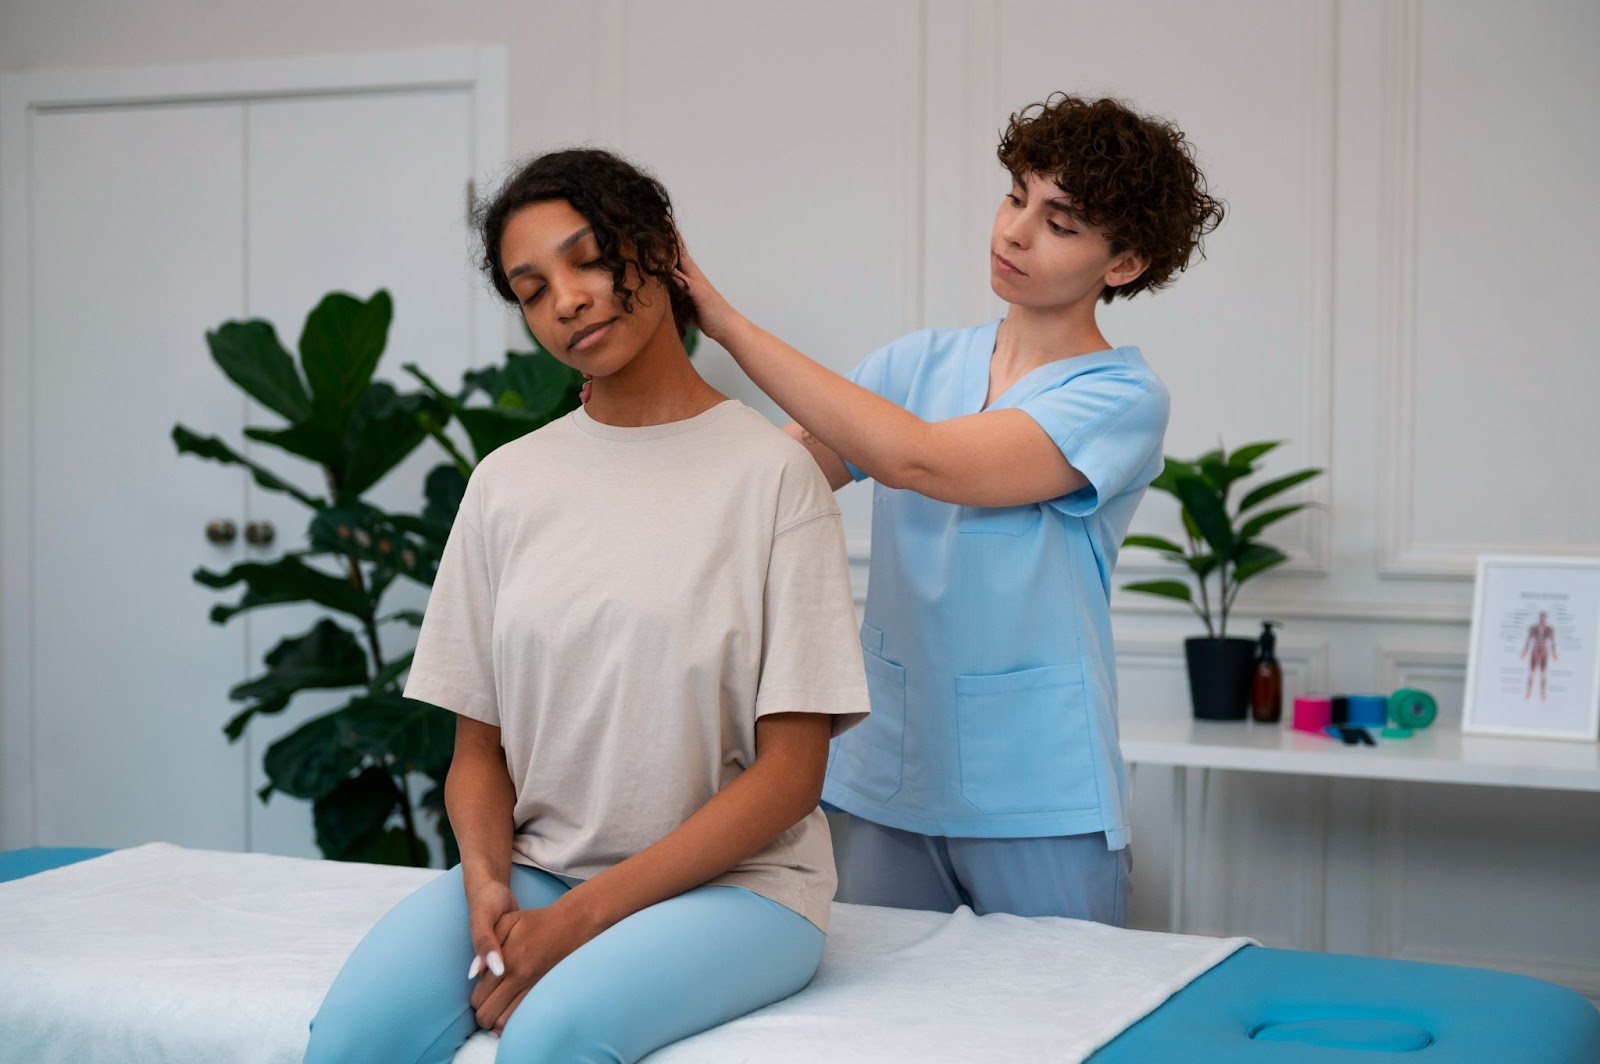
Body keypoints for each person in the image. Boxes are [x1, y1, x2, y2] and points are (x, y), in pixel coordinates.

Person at [303, 148, 869, 1064]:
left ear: (657, 250)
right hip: (534, 870)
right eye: (531, 288)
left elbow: (792, 775)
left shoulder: (772, 479)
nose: (565, 300)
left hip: (741, 890)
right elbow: (476, 750)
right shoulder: (507, 484)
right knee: (349, 1046)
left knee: (550, 1043)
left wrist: (574, 924)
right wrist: (488, 882)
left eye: (586, 259)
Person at [677, 93, 1224, 925]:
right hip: (889, 777)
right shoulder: (913, 365)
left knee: (1055, 1040)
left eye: (1061, 222)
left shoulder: (1120, 397)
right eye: (1016, 196)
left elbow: (918, 458)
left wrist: (721, 321)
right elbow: (774, 480)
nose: (1014, 231)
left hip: (1041, 795)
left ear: (1124, 264)